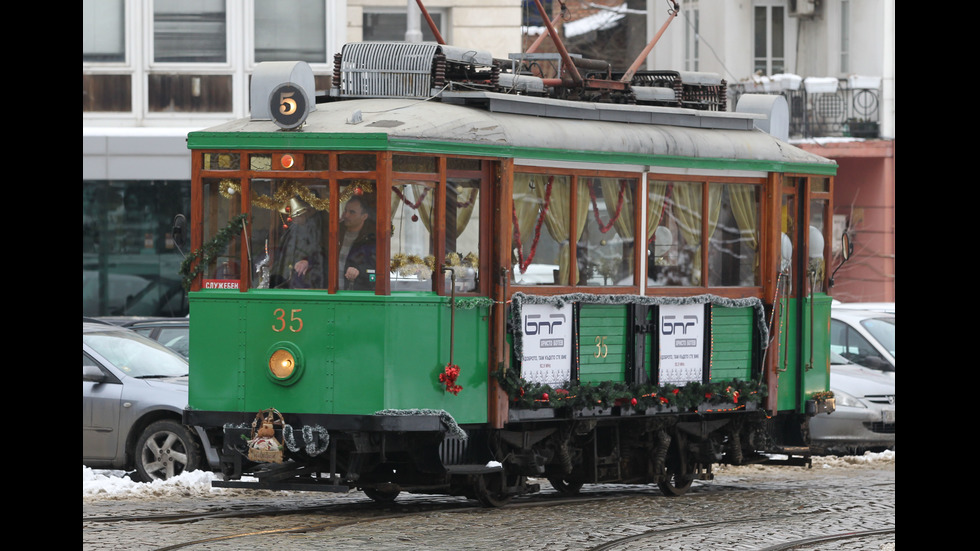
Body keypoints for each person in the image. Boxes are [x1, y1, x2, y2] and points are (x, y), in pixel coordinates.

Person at [269, 196, 326, 289]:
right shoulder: (289, 230)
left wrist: (308, 261)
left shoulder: (315, 231)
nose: (294, 218)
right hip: (285, 279)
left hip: (305, 281)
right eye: (293, 215)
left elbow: (320, 255)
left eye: (299, 214)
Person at [337, 196, 376, 290]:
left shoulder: (370, 239)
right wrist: (307, 261)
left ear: (364, 216)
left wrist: (358, 270)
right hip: (331, 293)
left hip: (355, 294)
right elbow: (322, 254)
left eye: (352, 212)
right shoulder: (335, 232)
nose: (346, 215)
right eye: (345, 210)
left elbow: (374, 268)